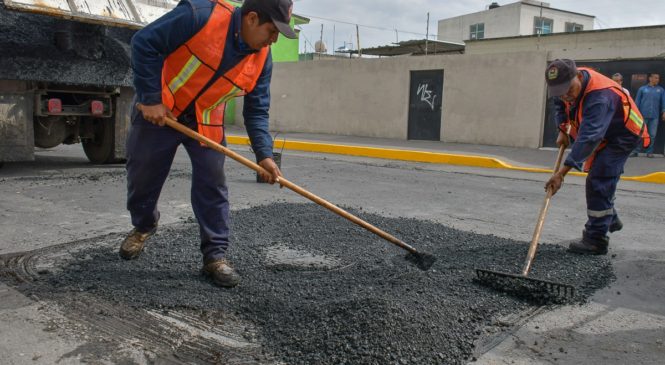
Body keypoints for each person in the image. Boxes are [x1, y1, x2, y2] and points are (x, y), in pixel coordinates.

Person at [120, 0, 296, 287]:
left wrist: (264, 155)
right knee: (143, 176)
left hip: (205, 121)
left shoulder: (263, 58)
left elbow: (257, 109)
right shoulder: (199, 15)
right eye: (272, 31)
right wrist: (150, 98)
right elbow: (144, 42)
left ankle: (215, 257)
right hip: (161, 112)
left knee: (212, 185)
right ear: (251, 18)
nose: (274, 40)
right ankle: (143, 226)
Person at [544, 59, 650, 255]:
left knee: (599, 179)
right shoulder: (565, 83)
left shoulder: (600, 96)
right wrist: (562, 128)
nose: (566, 95)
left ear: (577, 76)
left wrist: (561, 174)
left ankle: (596, 239)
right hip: (604, 132)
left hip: (623, 135)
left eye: (568, 90)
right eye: (560, 91)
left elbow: (589, 137)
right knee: (599, 180)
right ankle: (608, 218)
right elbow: (560, 104)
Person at [633, 73, 665, 157]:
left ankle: (649, 152)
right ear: (650, 78)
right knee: (640, 134)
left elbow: (663, 102)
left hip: (655, 116)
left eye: (658, 78)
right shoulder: (642, 89)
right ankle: (636, 151)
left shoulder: (661, 90)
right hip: (642, 116)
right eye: (656, 78)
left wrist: (664, 111)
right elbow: (637, 102)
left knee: (652, 135)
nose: (657, 80)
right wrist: (636, 114)